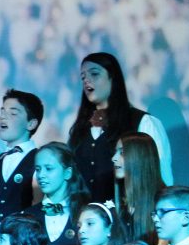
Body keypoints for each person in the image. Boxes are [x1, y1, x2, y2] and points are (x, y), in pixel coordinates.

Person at [68, 53, 172, 202]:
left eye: (94, 74)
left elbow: (162, 177)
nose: (87, 80)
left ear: (113, 77)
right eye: (83, 77)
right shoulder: (79, 129)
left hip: (127, 217)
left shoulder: (143, 122)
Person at [22, 143, 90, 245]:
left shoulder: (85, 214)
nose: (41, 175)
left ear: (67, 173)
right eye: (38, 169)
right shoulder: (28, 216)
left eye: (49, 168)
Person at [0, 90, 43, 222]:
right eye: (2, 112)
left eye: (13, 113)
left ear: (31, 124)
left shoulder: (40, 162)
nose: (2, 117)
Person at [112, 132, 165, 245]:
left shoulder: (162, 201)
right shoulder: (119, 205)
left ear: (140, 158)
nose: (113, 158)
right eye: (115, 152)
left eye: (122, 153)